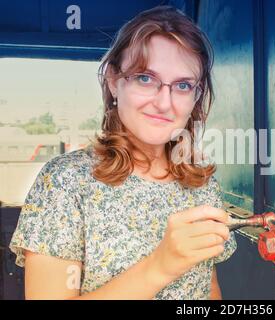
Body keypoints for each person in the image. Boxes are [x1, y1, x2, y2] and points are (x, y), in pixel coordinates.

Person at [9, 5, 237, 300]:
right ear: (114, 82)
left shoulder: (202, 185)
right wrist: (159, 266)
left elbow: (209, 290)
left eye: (182, 85)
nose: (164, 103)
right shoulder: (66, 182)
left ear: (196, 96)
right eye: (145, 78)